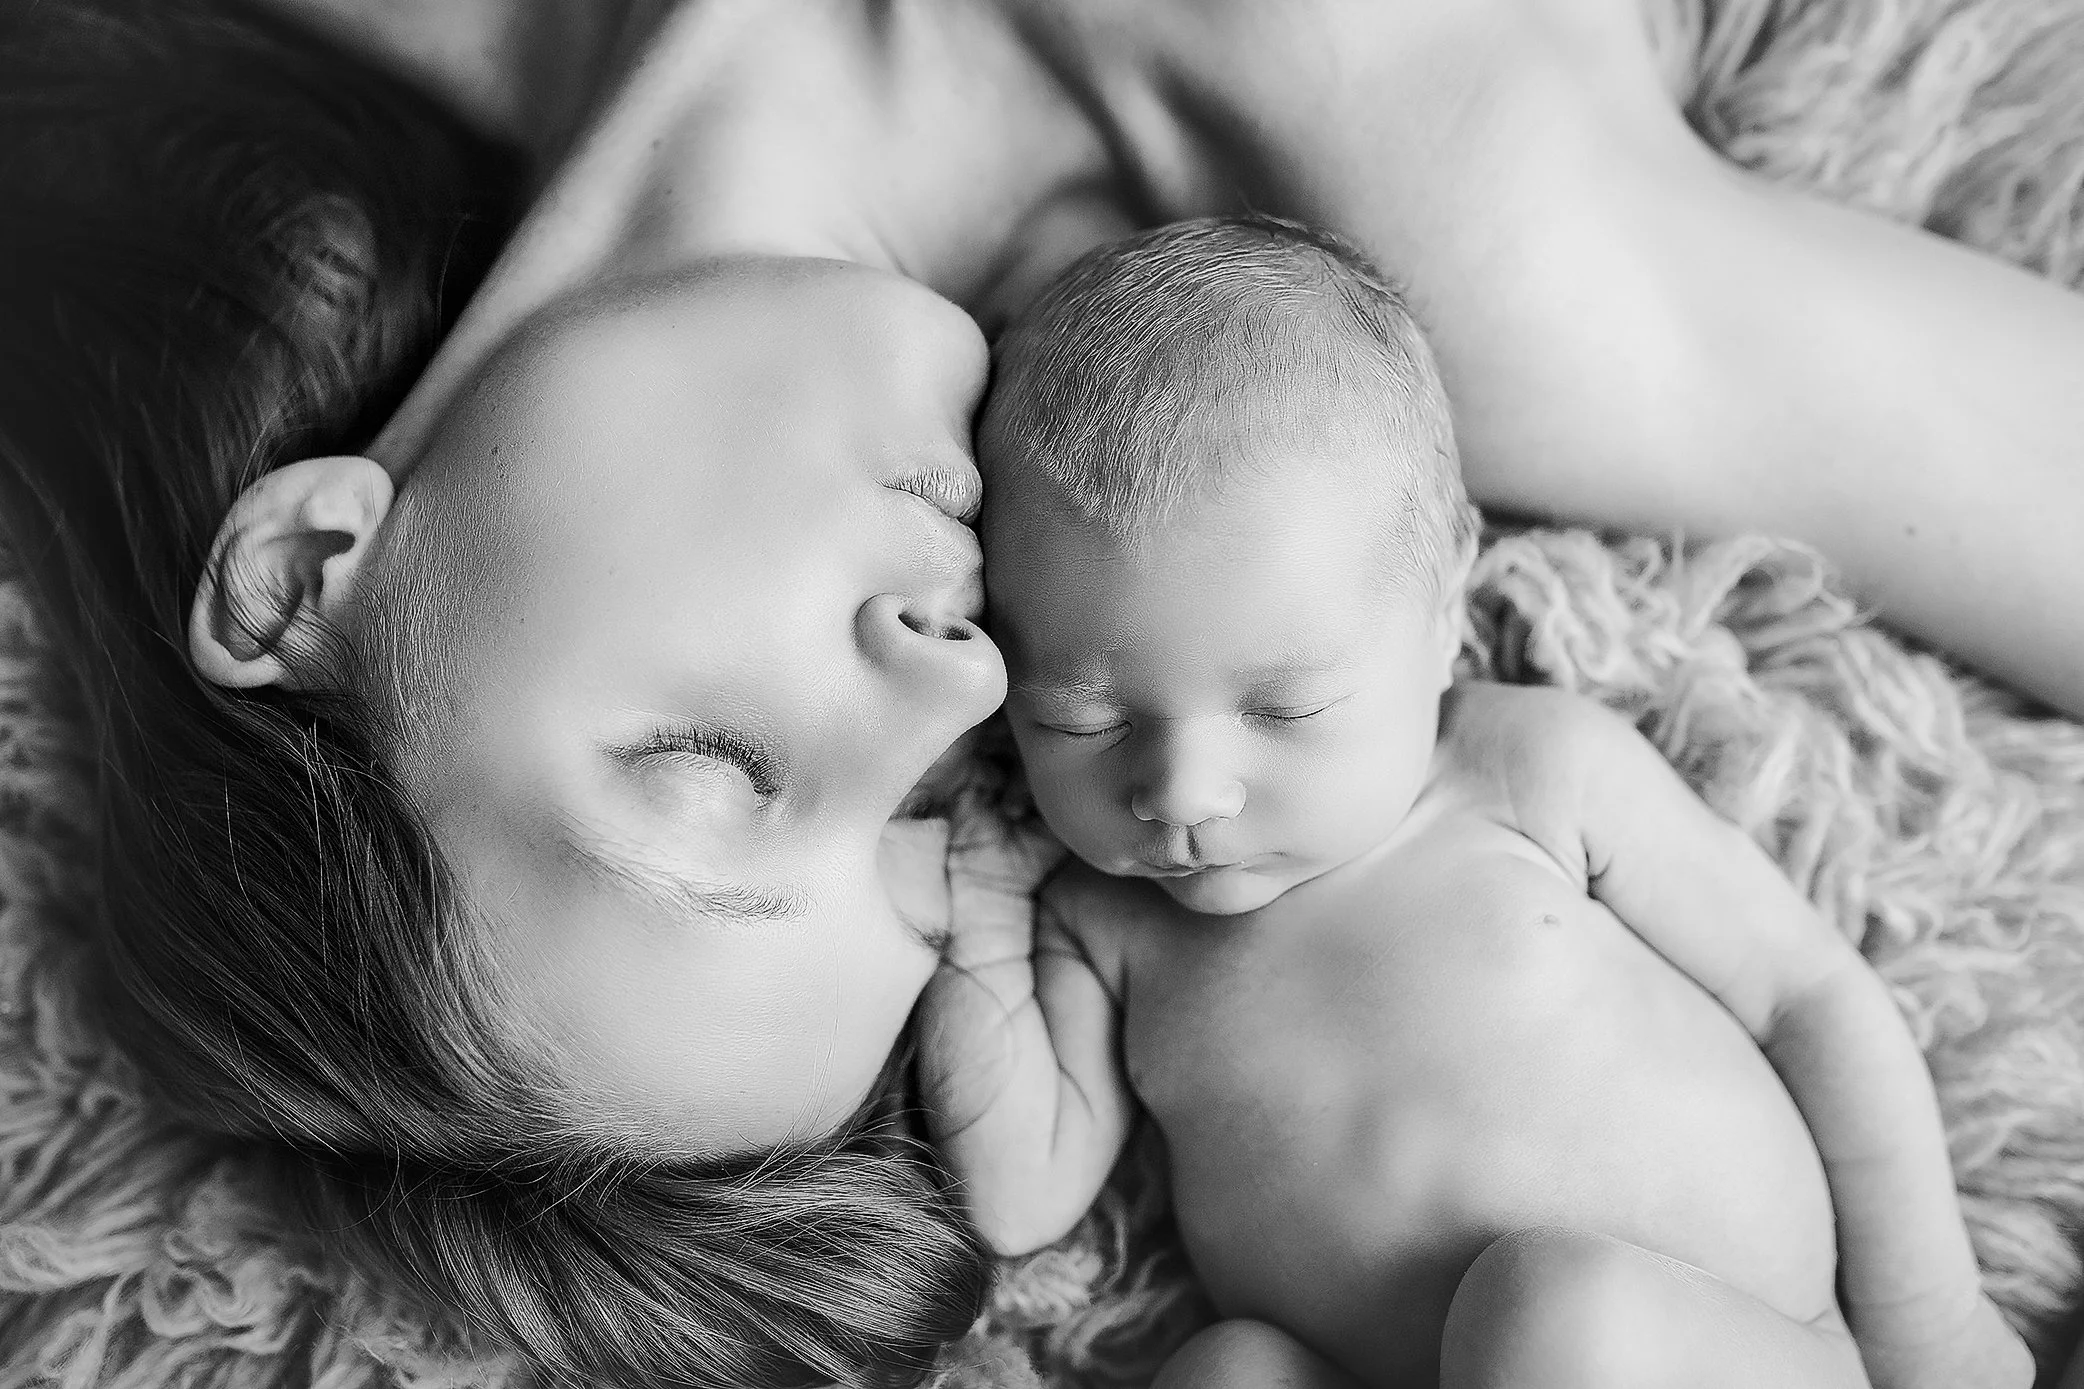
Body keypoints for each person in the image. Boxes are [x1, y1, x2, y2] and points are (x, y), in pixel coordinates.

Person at [6, 0, 2082, 1383]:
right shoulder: (1474, 272)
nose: (948, 680)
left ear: (308, 569)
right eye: (916, 827)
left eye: (711, 771)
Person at [923, 214, 2030, 1389]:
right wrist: (978, 901)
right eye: (1079, 721)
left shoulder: (1523, 774)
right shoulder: (1101, 922)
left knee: (1552, 1309)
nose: (1178, 793)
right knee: (1227, 1372)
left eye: (1283, 709)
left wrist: (1931, 1331)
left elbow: (1807, 996)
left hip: (1706, 1348)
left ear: (1444, 607)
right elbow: (1018, 1191)